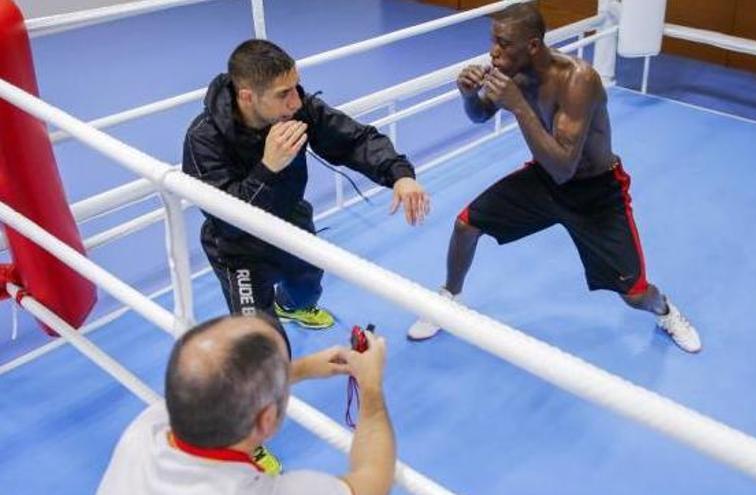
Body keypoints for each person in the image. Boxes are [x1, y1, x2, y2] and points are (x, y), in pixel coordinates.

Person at [406, 3, 701, 353]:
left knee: (635, 294)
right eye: (493, 41)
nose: (493, 51)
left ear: (532, 45)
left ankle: (666, 311)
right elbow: (480, 115)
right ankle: (448, 298)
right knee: (466, 226)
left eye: (503, 43)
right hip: (545, 180)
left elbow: (565, 165)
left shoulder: (578, 80)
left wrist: (517, 105)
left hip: (596, 193)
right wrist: (468, 95)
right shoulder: (512, 68)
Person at [183, 39, 430, 329]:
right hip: (239, 249)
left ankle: (288, 306)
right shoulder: (204, 139)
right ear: (247, 97)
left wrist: (400, 174)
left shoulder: (297, 109)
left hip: (291, 221)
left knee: (305, 294)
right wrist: (267, 169)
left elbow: (354, 140)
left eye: (296, 87)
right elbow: (227, 221)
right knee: (262, 346)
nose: (296, 102)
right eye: (283, 94)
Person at [98, 314, 395, 495]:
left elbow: (216, 387)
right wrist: (371, 386)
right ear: (266, 420)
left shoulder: (142, 432)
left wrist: (301, 368)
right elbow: (373, 478)